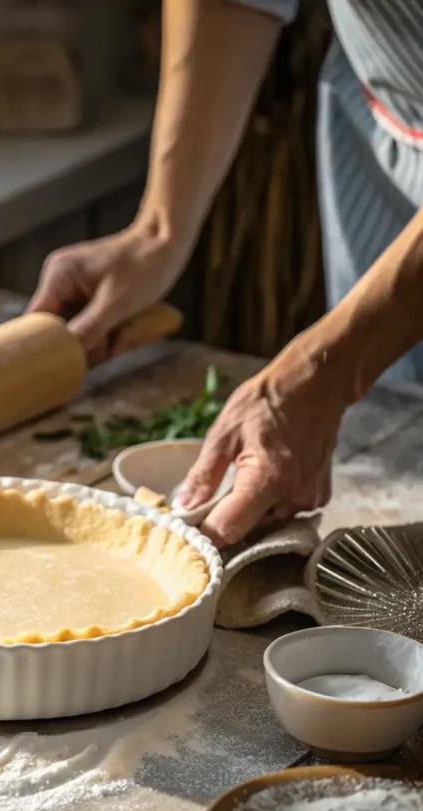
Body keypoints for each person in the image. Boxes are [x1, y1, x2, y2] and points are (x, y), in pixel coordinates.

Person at [28, 1, 423, 548]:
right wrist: (158, 233)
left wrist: (322, 374)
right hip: (387, 125)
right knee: (400, 434)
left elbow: (332, 374)